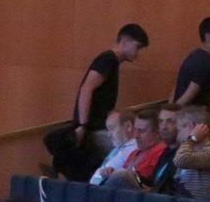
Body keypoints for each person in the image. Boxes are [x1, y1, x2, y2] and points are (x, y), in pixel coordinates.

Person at [53, 24, 148, 181]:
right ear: (125, 41)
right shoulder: (108, 59)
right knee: (127, 153)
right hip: (93, 128)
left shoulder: (111, 62)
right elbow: (86, 89)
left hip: (94, 127)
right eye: (137, 47)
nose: (138, 54)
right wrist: (83, 125)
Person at [91, 109, 167, 188]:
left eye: (141, 131)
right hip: (123, 193)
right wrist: (111, 172)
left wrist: (118, 175)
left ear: (157, 133)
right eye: (136, 130)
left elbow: (149, 182)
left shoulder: (162, 152)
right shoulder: (134, 153)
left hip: (142, 195)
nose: (136, 135)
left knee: (121, 175)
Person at [173, 17, 210, 107]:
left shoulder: (194, 54)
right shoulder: (204, 61)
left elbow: (176, 87)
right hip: (193, 117)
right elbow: (188, 96)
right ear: (208, 37)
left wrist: (170, 108)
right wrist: (172, 113)